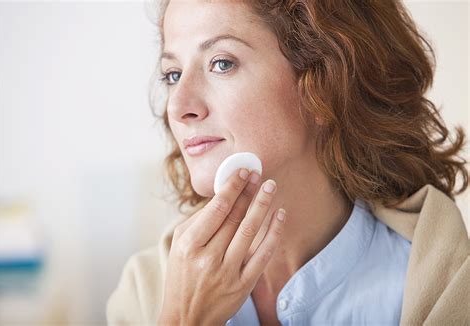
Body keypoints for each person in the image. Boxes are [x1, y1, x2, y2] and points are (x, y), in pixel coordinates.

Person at [107, 0, 470, 324]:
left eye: (221, 63)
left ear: (325, 82)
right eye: (173, 75)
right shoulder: (144, 291)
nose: (178, 105)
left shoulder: (433, 285)